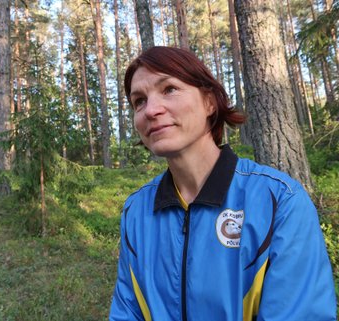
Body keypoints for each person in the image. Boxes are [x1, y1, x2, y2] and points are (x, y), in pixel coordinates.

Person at [109, 46, 337, 321]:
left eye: (169, 89)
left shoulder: (279, 201)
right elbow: (127, 312)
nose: (151, 110)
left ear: (210, 102)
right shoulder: (136, 211)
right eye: (139, 101)